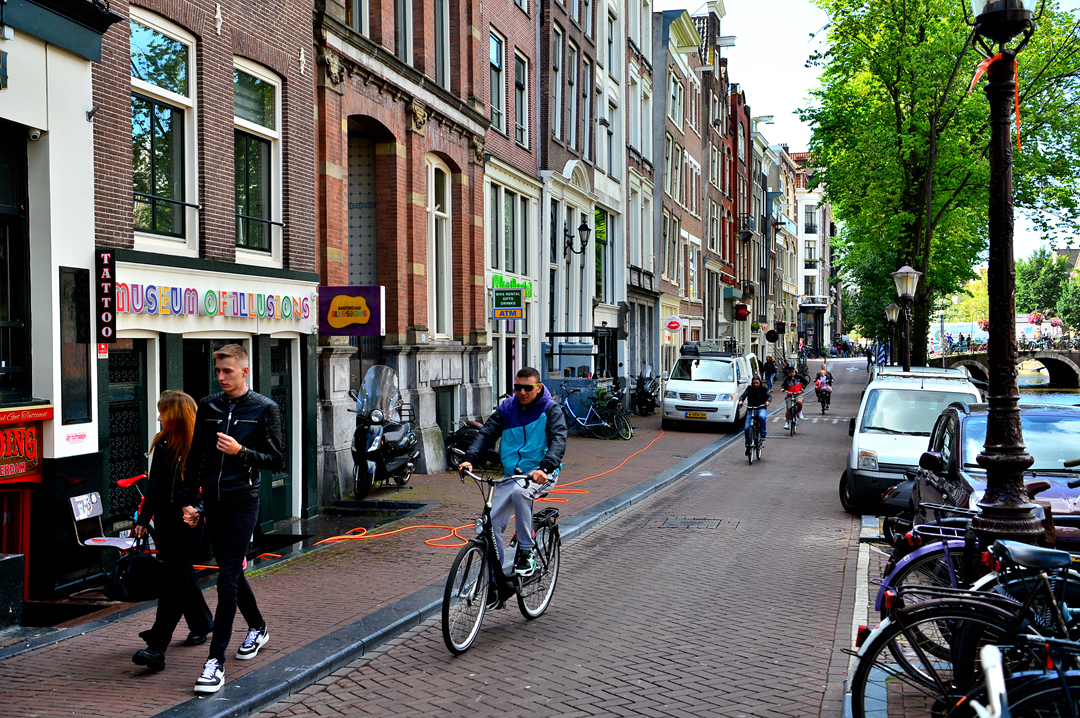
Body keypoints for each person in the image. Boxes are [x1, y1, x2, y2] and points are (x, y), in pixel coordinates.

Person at [184, 344, 284, 694]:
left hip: (244, 500)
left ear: (244, 371)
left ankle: (215, 663)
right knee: (231, 571)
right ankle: (257, 626)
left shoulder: (264, 408)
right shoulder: (208, 405)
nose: (221, 377)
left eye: (227, 371)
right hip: (213, 502)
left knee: (226, 578)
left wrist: (241, 452)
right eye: (218, 371)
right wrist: (190, 501)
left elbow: (276, 459)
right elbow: (195, 456)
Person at [459, 367, 567, 593]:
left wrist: (545, 467)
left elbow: (558, 439)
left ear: (538, 388)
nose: (522, 392)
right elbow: (487, 434)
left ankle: (526, 552)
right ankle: (495, 582)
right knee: (490, 524)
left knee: (521, 493)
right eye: (517, 387)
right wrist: (469, 459)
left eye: (527, 388)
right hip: (513, 475)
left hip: (542, 472)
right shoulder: (507, 408)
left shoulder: (550, 409)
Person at [130, 391, 214, 672]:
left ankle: (158, 646)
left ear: (176, 416)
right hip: (165, 523)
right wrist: (144, 519)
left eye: (162, 413)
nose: (158, 418)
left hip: (188, 524)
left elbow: (210, 486)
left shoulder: (200, 447)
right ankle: (201, 622)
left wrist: (197, 509)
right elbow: (154, 486)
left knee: (173, 581)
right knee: (180, 572)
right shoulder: (164, 443)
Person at [736, 376, 771, 454]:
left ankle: (763, 434)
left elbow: (769, 396)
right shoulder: (749, 388)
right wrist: (741, 401)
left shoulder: (764, 389)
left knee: (762, 417)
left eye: (757, 383)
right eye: (754, 383)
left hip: (761, 408)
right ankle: (748, 446)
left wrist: (768, 401)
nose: (755, 385)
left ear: (759, 382)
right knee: (747, 428)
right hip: (751, 409)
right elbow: (743, 395)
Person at [780, 366, 804, 430]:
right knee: (788, 408)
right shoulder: (786, 378)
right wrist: (783, 388)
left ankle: (799, 411)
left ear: (794, 371)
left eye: (792, 371)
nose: (791, 373)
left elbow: (805, 381)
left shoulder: (799, 377)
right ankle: (787, 423)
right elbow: (783, 385)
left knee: (799, 402)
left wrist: (803, 388)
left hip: (798, 393)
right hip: (790, 394)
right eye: (790, 372)